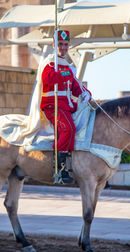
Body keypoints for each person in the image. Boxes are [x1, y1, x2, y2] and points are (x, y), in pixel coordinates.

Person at [40, 30, 91, 183]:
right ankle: (59, 168)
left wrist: (86, 93)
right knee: (67, 128)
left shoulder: (65, 65)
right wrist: (66, 74)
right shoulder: (50, 62)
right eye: (60, 44)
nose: (63, 47)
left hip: (65, 106)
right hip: (52, 105)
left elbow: (76, 87)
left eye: (66, 45)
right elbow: (48, 79)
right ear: (54, 44)